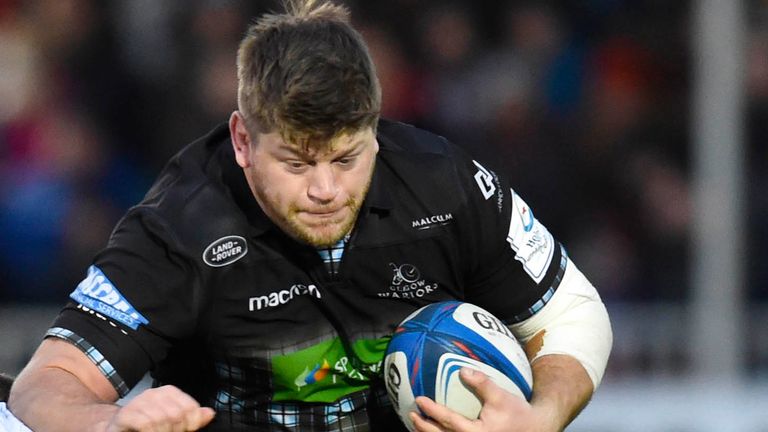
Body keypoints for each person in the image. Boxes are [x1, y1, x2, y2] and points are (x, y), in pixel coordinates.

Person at [8, 0, 612, 430]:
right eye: (297, 163)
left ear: (375, 129)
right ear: (243, 140)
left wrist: (540, 417)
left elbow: (573, 313)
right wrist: (111, 423)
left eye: (347, 158)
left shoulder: (445, 184)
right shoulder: (178, 227)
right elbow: (44, 386)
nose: (326, 188)